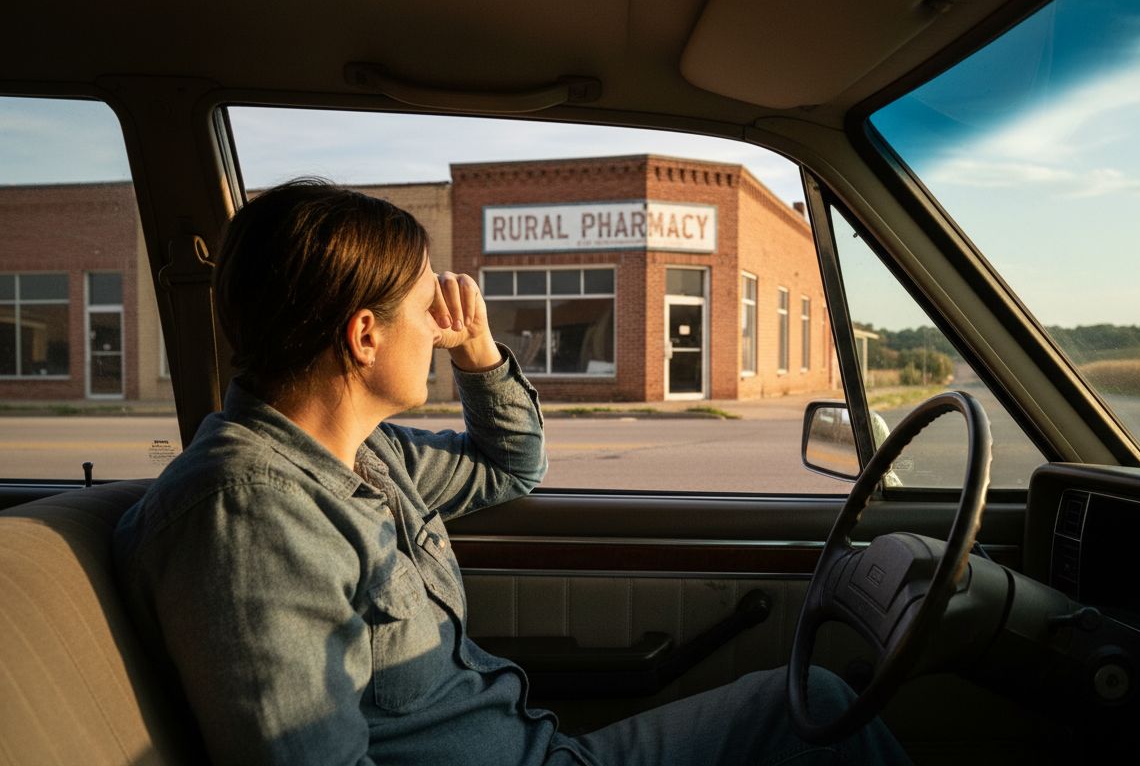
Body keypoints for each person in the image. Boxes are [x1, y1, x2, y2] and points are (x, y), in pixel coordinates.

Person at [114, 179, 908, 765]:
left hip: (537, 748)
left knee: (813, 707)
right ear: (363, 336)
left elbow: (511, 466)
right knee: (820, 715)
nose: (444, 325)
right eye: (429, 310)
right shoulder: (249, 517)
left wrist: (480, 354)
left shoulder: (366, 455)